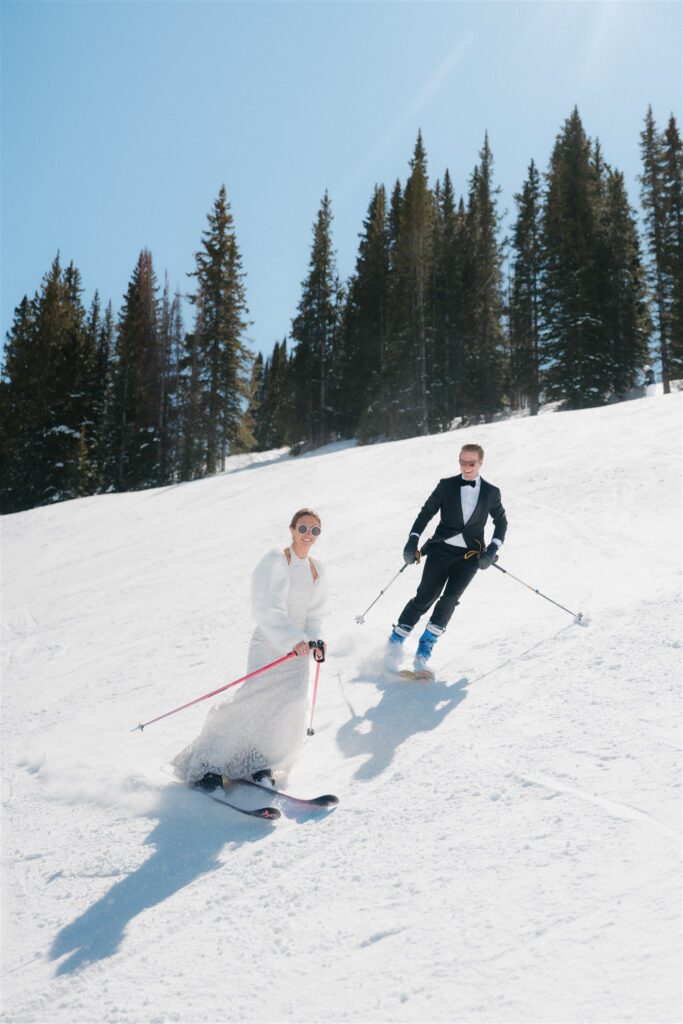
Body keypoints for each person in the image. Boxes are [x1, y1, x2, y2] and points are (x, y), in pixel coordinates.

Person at [173, 508, 330, 791]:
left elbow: (316, 614)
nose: (308, 535)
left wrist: (316, 640)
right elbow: (264, 606)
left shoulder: (317, 569)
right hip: (272, 644)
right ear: (292, 529)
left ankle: (259, 762)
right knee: (253, 702)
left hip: (300, 652)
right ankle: (208, 764)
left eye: (315, 530)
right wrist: (291, 639)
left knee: (289, 704)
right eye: (303, 529)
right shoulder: (276, 559)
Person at [386, 444, 507, 676]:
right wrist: (413, 540)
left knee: (449, 599)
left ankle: (423, 652)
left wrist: (493, 549)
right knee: (425, 597)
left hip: (470, 557)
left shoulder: (491, 492)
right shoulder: (447, 485)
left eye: (471, 463)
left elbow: (501, 522)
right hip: (440, 551)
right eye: (462, 461)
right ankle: (395, 643)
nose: (466, 467)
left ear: (481, 463)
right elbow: (426, 513)